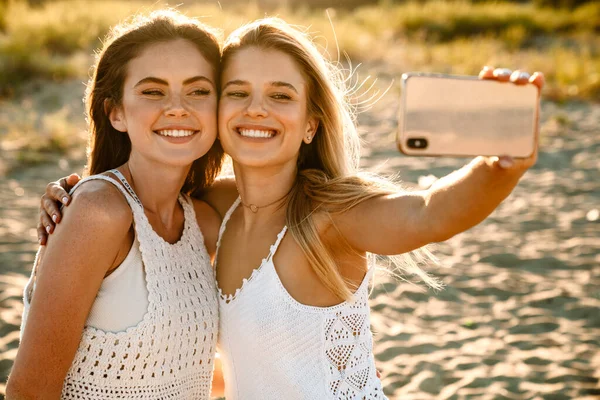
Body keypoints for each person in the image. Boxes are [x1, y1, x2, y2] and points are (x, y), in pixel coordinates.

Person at [36, 18, 544, 399]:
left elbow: (428, 213)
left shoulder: (328, 216)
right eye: (238, 92)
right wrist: (73, 193)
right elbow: (140, 203)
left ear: (310, 124)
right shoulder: (213, 210)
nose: (257, 109)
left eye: (281, 96)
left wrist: (499, 167)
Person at [7, 10, 225, 399]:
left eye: (198, 90)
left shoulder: (200, 217)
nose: (178, 107)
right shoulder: (98, 211)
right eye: (153, 91)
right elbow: (28, 392)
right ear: (117, 113)